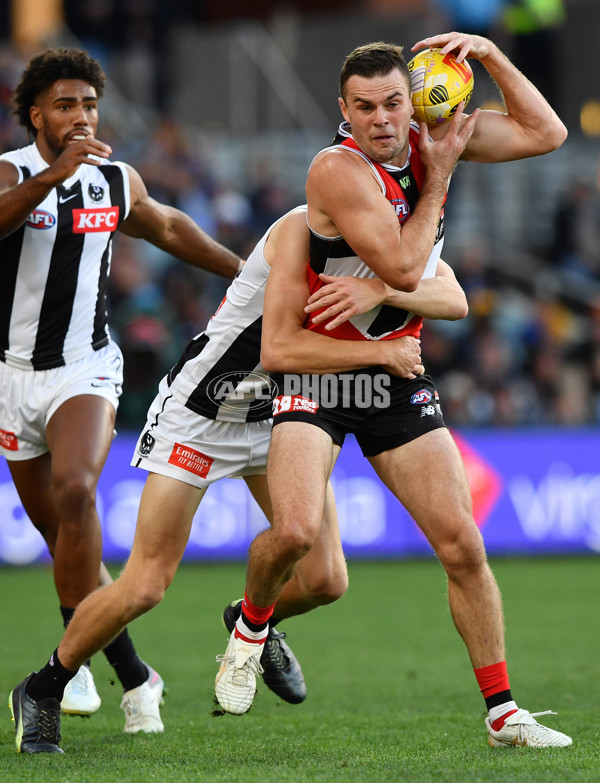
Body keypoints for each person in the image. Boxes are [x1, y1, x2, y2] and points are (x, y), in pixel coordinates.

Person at [214, 33, 573, 749]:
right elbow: (410, 270)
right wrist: (439, 175)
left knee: (463, 544)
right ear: (343, 110)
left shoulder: (426, 138)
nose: (382, 119)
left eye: (394, 104)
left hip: (392, 371)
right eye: (365, 107)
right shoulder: (337, 170)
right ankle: (250, 623)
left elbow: (548, 132)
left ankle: (504, 713)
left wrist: (494, 57)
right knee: (294, 533)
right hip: (318, 367)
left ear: (414, 102)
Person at [7, 201, 468, 753]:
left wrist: (390, 292)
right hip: (204, 412)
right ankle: (43, 687)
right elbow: (280, 349)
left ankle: (250, 618)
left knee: (326, 580)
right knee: (147, 583)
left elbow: (453, 296)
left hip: (280, 412)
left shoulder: (385, 247)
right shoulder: (302, 232)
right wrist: (384, 350)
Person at [0, 47, 242, 734]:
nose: (81, 116)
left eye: (90, 104)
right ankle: (137, 675)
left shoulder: (113, 179)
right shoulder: (12, 174)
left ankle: (62, 670)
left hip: (87, 369)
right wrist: (52, 176)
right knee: (62, 537)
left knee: (77, 491)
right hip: (13, 376)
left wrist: (246, 274)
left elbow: (166, 226)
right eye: (66, 105)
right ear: (36, 113)